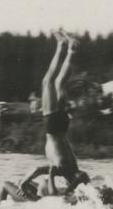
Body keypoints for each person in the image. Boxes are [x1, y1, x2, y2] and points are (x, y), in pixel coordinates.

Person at [30, 30, 90, 196]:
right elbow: (41, 170)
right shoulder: (65, 169)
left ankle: (71, 49)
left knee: (58, 82)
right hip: (53, 128)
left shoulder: (73, 167)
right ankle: (61, 45)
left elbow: (81, 178)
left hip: (62, 126)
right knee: (47, 81)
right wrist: (27, 180)